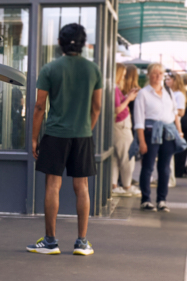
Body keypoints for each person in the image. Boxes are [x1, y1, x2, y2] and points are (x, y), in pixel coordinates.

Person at [26, 23, 102, 255]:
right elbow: (97, 106)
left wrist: (34, 138)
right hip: (82, 135)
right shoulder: (93, 70)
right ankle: (81, 242)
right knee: (82, 187)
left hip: (56, 134)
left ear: (60, 42)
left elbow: (40, 106)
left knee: (53, 185)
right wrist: (86, 128)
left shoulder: (50, 69)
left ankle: (50, 242)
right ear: (83, 43)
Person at [133, 63, 179, 212]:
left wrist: (179, 132)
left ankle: (162, 200)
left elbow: (175, 114)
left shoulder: (168, 92)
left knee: (165, 168)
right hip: (150, 132)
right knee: (148, 167)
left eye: (160, 73)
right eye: (154, 73)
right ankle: (146, 199)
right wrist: (141, 141)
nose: (158, 76)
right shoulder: (143, 93)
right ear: (149, 75)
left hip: (168, 132)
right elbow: (139, 119)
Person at [110, 65, 138, 195]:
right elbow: (117, 109)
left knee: (115, 157)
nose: (123, 77)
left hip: (117, 125)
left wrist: (127, 95)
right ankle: (127, 186)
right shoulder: (114, 88)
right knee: (128, 156)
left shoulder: (112, 87)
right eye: (123, 74)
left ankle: (113, 185)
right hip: (121, 125)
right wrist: (129, 99)